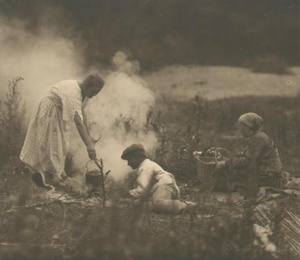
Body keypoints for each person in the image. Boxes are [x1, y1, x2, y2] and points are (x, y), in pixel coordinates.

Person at [20, 73, 105, 188]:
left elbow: (82, 112)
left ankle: (60, 173)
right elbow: (79, 123)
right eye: (94, 92)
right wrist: (89, 145)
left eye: (97, 93)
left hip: (59, 109)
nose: (94, 95)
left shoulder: (84, 93)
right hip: (50, 108)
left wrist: (89, 135)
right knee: (52, 143)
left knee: (62, 143)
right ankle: (52, 177)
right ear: (87, 86)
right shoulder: (73, 94)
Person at [215, 112, 288, 199]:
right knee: (235, 174)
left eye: (241, 126)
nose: (240, 130)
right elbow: (246, 155)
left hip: (269, 177)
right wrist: (229, 159)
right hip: (268, 173)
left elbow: (247, 161)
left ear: (247, 127)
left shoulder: (258, 138)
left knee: (231, 182)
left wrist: (226, 163)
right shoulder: (258, 137)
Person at [121, 143, 197, 214]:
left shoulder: (145, 167)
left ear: (136, 157)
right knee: (139, 204)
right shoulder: (144, 166)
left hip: (164, 186)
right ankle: (174, 204)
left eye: (129, 159)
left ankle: (190, 207)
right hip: (163, 188)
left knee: (159, 204)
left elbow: (141, 191)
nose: (128, 163)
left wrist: (128, 193)